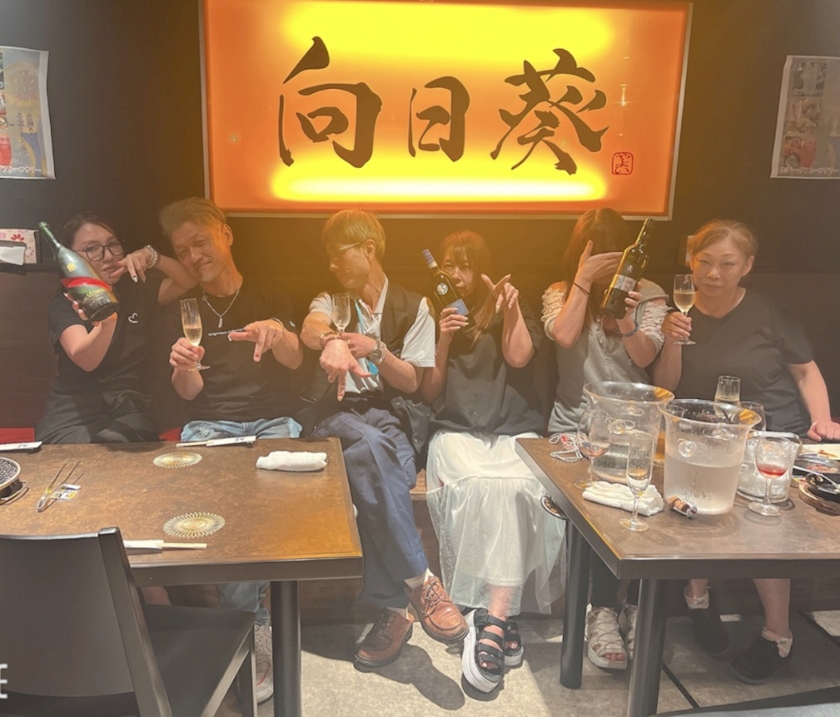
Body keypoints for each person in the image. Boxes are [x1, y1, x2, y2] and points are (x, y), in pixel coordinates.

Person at [654, 218, 840, 683]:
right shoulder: (679, 315)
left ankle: (778, 635)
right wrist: (672, 341)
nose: (713, 273)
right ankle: (698, 600)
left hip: (767, 435)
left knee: (763, 529)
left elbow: (806, 372)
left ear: (747, 266)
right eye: (704, 262)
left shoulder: (768, 312)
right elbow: (666, 386)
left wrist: (822, 421)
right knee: (693, 508)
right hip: (703, 435)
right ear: (691, 263)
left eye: (727, 263)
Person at [300, 209, 467, 670]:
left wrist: (376, 349)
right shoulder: (333, 300)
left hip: (389, 413)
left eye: (338, 254)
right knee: (373, 451)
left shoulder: (415, 306)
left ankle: (394, 612)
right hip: (335, 413)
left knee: (387, 469)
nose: (332, 264)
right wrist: (332, 340)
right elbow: (310, 326)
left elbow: (412, 381)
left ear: (367, 250)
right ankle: (421, 582)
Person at [164, 197, 304, 704]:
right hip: (210, 424)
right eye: (182, 250)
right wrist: (183, 366)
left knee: (270, 507)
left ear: (225, 234)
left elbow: (295, 361)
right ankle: (249, 626)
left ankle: (248, 629)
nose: (193, 256)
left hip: (273, 421)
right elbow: (188, 394)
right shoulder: (185, 309)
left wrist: (279, 332)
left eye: (200, 242)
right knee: (217, 511)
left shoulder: (271, 293)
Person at [420, 230, 565, 694]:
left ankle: (492, 617)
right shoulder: (434, 311)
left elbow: (518, 357)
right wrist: (442, 339)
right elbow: (429, 390)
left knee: (520, 488)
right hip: (457, 430)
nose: (455, 274)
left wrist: (511, 310)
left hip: (512, 429)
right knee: (478, 486)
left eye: (464, 265)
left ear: (481, 268)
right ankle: (505, 617)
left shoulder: (506, 305)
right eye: (448, 264)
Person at [541, 208, 668, 670]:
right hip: (574, 425)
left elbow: (646, 357)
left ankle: (627, 606)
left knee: (635, 505)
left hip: (635, 427)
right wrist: (582, 281)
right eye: (594, 252)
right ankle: (602, 611)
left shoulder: (649, 293)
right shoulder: (560, 292)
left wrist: (628, 316)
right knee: (591, 506)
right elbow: (564, 335)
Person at [36, 211, 194, 444]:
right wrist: (108, 320)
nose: (108, 256)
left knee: (123, 442)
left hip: (128, 408)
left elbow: (188, 281)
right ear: (71, 259)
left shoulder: (136, 287)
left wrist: (153, 257)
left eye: (113, 245)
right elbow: (86, 359)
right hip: (75, 412)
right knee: (79, 456)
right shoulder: (65, 303)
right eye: (92, 249)